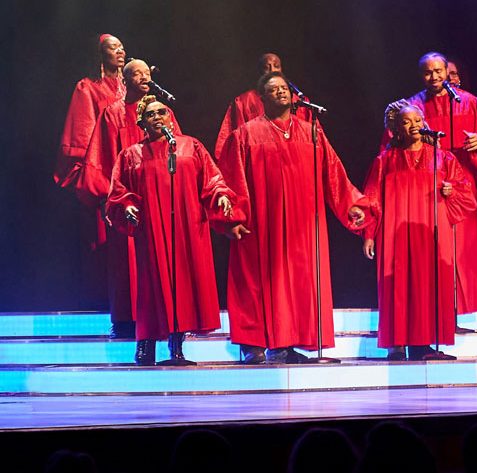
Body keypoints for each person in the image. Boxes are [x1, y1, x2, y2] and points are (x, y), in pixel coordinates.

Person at [217, 71, 369, 364]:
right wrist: (233, 218)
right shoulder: (245, 134)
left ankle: (289, 343)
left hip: (304, 222)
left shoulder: (311, 131)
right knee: (258, 281)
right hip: (262, 220)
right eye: (272, 90)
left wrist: (352, 204)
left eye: (284, 88)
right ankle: (254, 345)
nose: (280, 93)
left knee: (301, 280)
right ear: (261, 99)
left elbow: (333, 173)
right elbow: (232, 179)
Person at [106, 96, 238, 365]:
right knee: (152, 286)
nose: (158, 117)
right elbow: (118, 191)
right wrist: (128, 205)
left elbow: (212, 179)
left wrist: (221, 194)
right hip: (152, 229)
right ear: (142, 123)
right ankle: (145, 346)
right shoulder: (131, 154)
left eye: (162, 112)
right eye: (151, 114)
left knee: (183, 284)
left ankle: (176, 348)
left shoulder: (190, 146)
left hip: (187, 227)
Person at [362, 105, 476, 361]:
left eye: (417, 119)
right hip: (395, 231)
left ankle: (423, 344)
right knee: (396, 284)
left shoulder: (442, 158)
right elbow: (372, 199)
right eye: (406, 121)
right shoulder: (385, 161)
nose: (413, 124)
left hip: (431, 230)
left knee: (429, 283)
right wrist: (369, 233)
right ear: (396, 128)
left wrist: (451, 191)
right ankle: (396, 344)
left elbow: (465, 192)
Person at [80, 59, 182, 339]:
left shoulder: (164, 112)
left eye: (147, 72)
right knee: (127, 263)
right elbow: (100, 159)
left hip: (161, 198)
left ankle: (170, 320)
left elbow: (180, 151)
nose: (144, 77)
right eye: (136, 73)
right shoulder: (112, 114)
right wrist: (110, 199)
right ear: (124, 80)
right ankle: (126, 320)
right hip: (128, 200)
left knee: (166, 259)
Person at [403, 52, 477, 324]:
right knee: (433, 245)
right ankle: (435, 311)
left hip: (463, 184)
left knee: (462, 247)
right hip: (427, 184)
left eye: (439, 71)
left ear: (447, 72)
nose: (435, 77)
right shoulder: (413, 107)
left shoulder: (471, 103)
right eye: (428, 72)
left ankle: (458, 310)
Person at [55, 34, 126, 190]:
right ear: (101, 54)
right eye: (113, 48)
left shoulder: (128, 89)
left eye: (121, 47)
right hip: (104, 159)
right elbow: (83, 130)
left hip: (129, 156)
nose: (120, 51)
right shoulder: (87, 87)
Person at [214, 52, 312, 158]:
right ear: (259, 72)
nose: (272, 70)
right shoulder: (243, 102)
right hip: (259, 160)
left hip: (296, 159)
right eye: (266, 67)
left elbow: (314, 138)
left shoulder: (299, 102)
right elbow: (231, 143)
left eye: (276, 66)